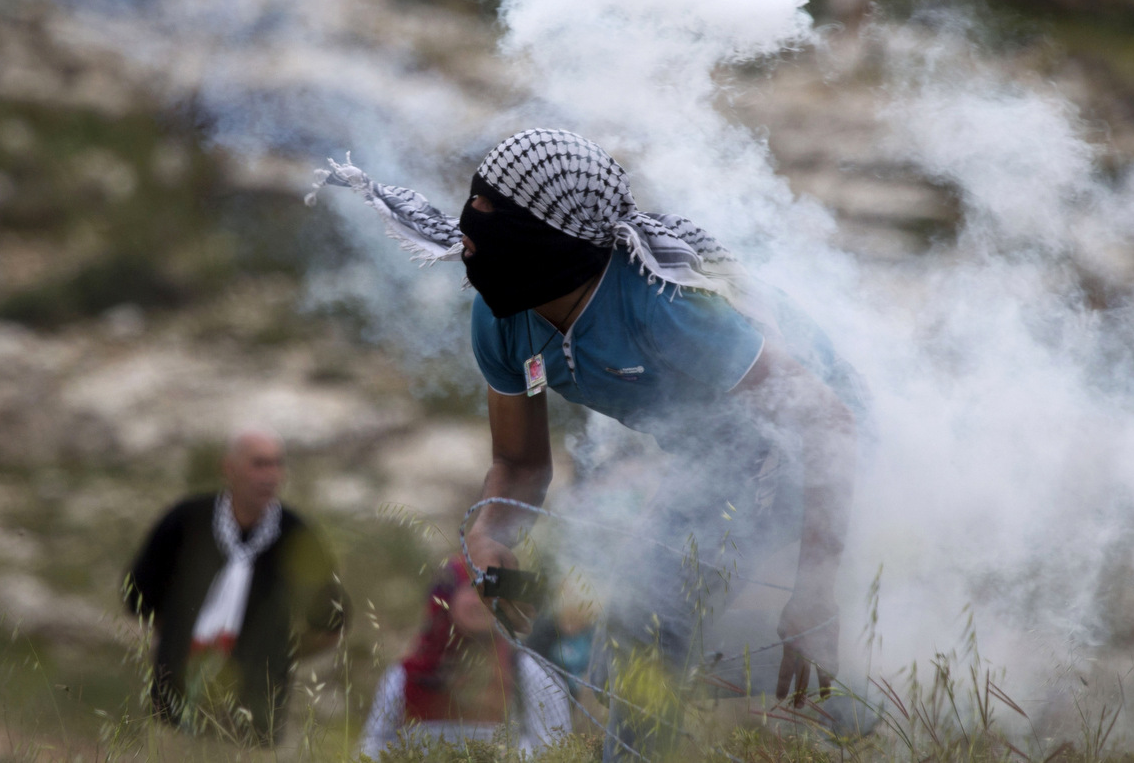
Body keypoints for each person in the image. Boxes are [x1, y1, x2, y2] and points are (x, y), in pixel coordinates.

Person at [313, 128, 863, 759]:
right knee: (621, 653)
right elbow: (518, 464)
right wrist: (493, 534)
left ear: (552, 242)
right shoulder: (501, 312)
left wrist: (816, 591)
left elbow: (827, 424)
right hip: (724, 462)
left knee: (645, 629)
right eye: (474, 203)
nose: (468, 228)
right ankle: (858, 694)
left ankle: (844, 673)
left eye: (495, 214)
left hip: (815, 442)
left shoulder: (669, 306)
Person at [123, 428, 350, 744]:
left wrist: (274, 656)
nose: (270, 475)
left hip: (255, 711)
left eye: (276, 464)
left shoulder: (296, 535)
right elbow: (138, 593)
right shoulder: (187, 522)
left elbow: (332, 622)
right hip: (177, 693)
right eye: (259, 464)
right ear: (228, 468)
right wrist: (180, 637)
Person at [359, 558, 573, 758]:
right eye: (472, 589)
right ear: (446, 597)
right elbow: (372, 747)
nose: (481, 601)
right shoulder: (407, 674)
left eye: (490, 592)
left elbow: (555, 748)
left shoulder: (523, 670)